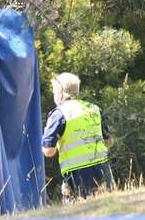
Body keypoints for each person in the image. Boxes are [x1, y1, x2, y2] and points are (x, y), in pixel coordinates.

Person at [42, 72, 114, 200]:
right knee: (108, 207)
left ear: (60, 92)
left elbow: (49, 151)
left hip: (77, 175)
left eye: (54, 92)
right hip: (102, 168)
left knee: (77, 215)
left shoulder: (58, 114)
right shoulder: (94, 109)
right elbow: (109, 141)